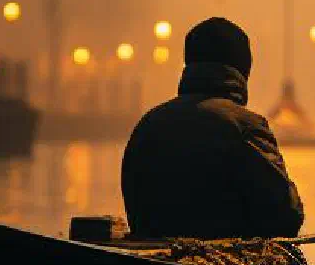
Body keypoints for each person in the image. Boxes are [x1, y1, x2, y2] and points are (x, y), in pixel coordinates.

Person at [120, 16, 305, 239]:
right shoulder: (245, 126)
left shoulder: (148, 125)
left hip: (149, 255)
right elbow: (286, 217)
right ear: (243, 70)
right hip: (222, 256)